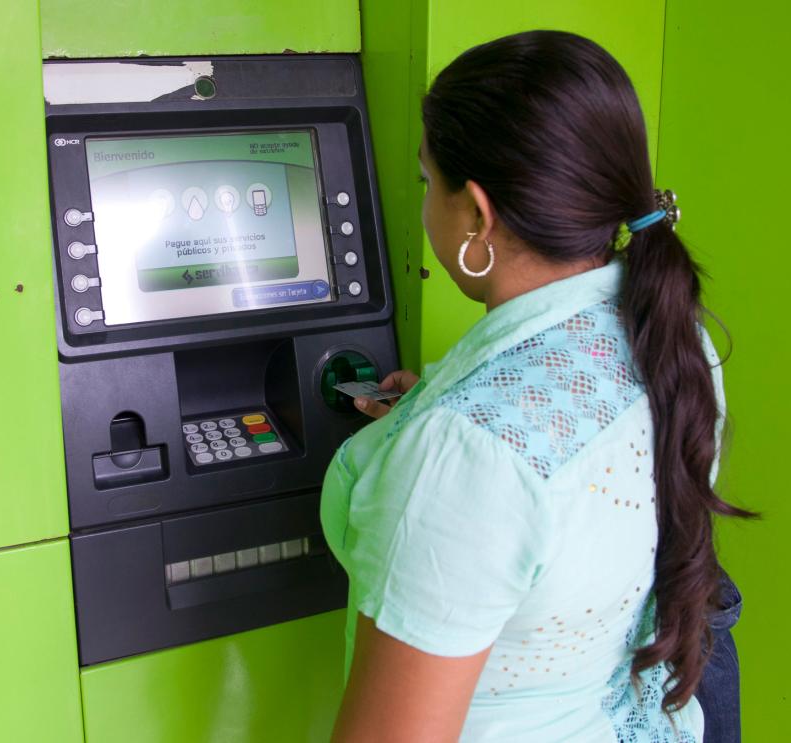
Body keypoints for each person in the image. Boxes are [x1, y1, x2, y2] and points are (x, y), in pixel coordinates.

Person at [319, 30, 752, 742]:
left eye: (430, 182)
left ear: (478, 216)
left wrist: (442, 443)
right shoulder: (674, 336)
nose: (426, 202)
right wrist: (440, 405)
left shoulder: (462, 456)